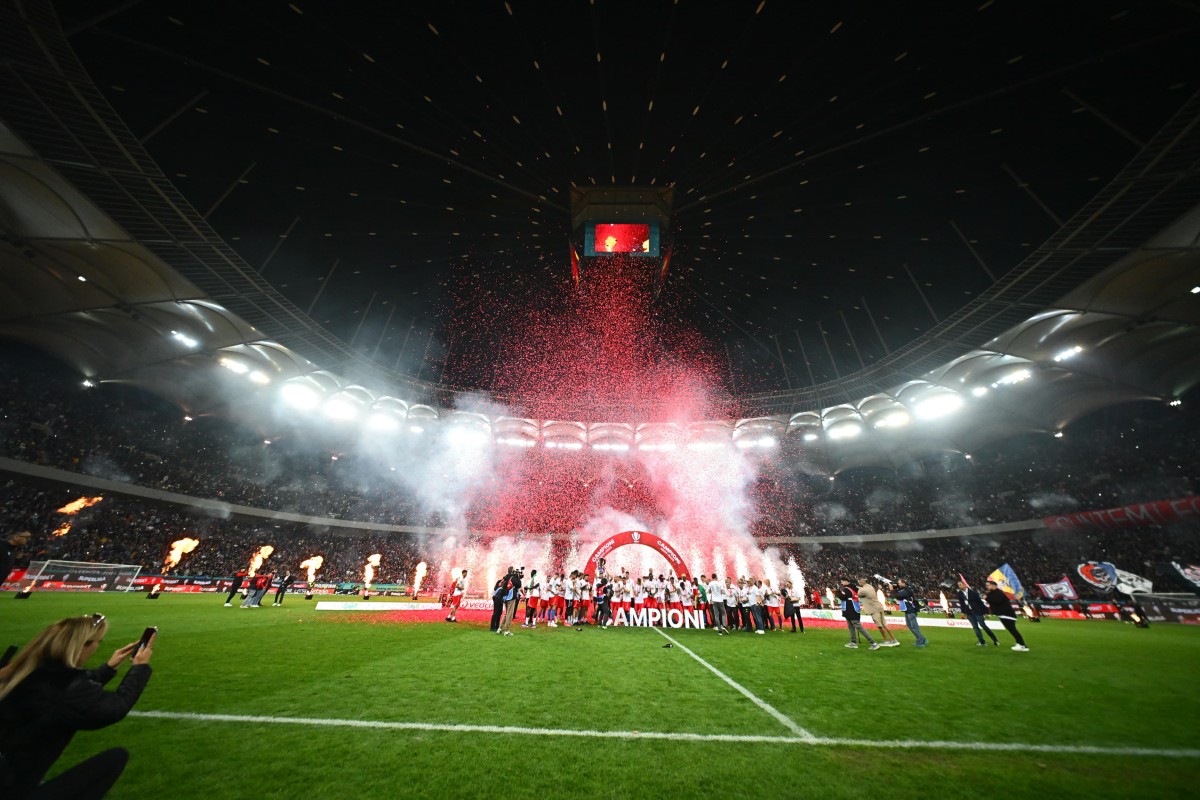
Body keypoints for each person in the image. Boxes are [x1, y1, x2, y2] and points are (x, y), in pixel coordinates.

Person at [0, 614, 154, 799]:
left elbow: (71, 692)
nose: (97, 647)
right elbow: (115, 707)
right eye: (98, 642)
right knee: (115, 759)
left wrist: (108, 668)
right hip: (12, 790)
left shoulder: (26, 672)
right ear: (83, 645)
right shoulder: (66, 687)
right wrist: (140, 667)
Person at [985, 579, 1030, 651]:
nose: (987, 587)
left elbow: (996, 601)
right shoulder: (994, 593)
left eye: (988, 585)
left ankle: (1022, 645)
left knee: (1013, 630)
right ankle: (1019, 643)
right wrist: (988, 596)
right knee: (1012, 630)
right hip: (1004, 614)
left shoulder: (998, 593)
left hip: (1007, 614)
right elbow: (992, 601)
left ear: (993, 586)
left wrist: (987, 598)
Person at [838, 578, 880, 650]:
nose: (842, 583)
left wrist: (837, 592)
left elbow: (844, 597)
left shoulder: (847, 589)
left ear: (846, 581)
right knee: (851, 626)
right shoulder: (855, 588)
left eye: (842, 581)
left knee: (858, 626)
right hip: (853, 609)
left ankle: (873, 643)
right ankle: (853, 642)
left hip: (850, 609)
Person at [956, 578, 999, 646]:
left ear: (965, 585)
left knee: (983, 626)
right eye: (959, 585)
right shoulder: (959, 594)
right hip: (969, 613)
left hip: (977, 612)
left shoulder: (973, 593)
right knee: (975, 627)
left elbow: (980, 603)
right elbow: (962, 604)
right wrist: (964, 613)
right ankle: (982, 642)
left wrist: (985, 612)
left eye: (960, 585)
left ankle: (995, 640)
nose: (959, 586)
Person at [859, 578, 899, 647]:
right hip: (878, 607)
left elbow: (859, 593)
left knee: (880, 626)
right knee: (885, 624)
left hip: (873, 609)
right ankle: (894, 640)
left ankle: (886, 640)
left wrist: (859, 588)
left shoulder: (863, 589)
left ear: (861, 582)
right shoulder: (871, 587)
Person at [893, 578, 928, 647]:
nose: (898, 584)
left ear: (903, 583)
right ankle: (922, 639)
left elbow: (897, 596)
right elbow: (898, 594)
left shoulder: (907, 590)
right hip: (908, 610)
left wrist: (892, 590)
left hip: (910, 610)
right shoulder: (906, 589)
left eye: (899, 583)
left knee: (914, 627)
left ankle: (920, 641)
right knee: (911, 626)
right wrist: (894, 587)